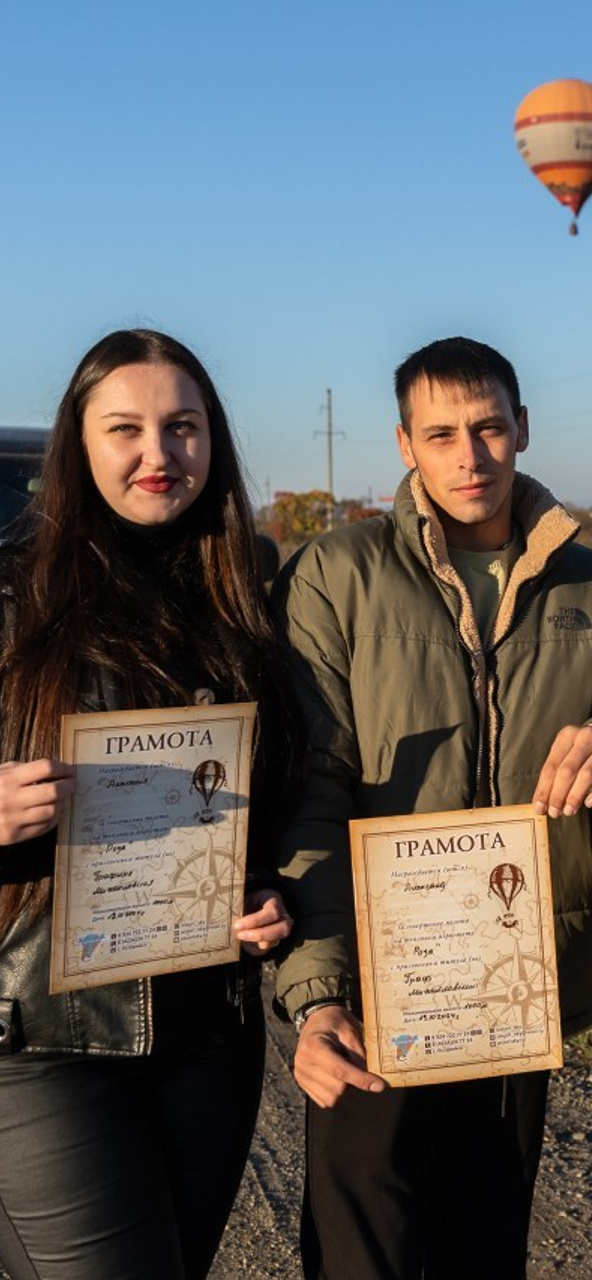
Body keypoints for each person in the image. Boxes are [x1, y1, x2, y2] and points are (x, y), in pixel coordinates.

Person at [271, 336, 592, 1279]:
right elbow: (313, 789)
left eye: (490, 427)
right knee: (364, 1250)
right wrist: (320, 993)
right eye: (443, 433)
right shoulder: (334, 574)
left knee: (487, 1243)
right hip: (383, 985)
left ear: (523, 428)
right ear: (405, 444)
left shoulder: (591, 582)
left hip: (517, 979)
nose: (472, 455)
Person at [0, 329, 300, 1280]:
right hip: (41, 1033)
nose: (157, 454)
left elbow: (285, 792)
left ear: (213, 442)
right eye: (124, 428)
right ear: (77, 445)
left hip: (207, 1023)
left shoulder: (249, 594)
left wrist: (269, 891)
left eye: (183, 427)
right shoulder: (12, 595)